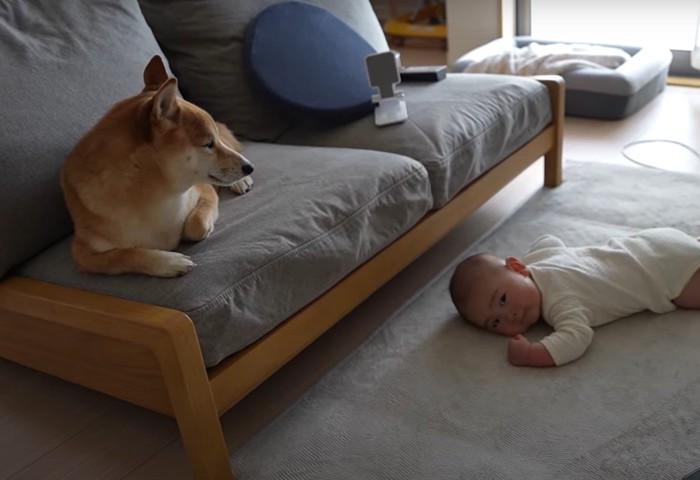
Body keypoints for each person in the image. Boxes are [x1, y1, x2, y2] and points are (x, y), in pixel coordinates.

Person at [449, 228, 700, 367]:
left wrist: (531, 354)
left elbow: (577, 337)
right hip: (654, 240)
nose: (509, 315)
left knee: (689, 296)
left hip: (669, 275)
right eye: (495, 322)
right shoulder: (538, 259)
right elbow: (549, 238)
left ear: (517, 267)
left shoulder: (559, 303)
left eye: (502, 300)